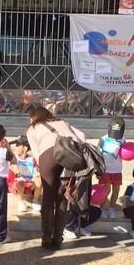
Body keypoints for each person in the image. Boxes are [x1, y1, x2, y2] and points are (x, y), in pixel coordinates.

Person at [26, 107, 86, 249]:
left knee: (48, 197)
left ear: (34, 117)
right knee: (62, 197)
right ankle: (58, 237)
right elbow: (81, 135)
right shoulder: (62, 122)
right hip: (70, 156)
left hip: (48, 155)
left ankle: (46, 238)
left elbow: (36, 153)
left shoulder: (33, 128)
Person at [98, 117, 129, 219]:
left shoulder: (123, 139)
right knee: (106, 189)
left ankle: (112, 209)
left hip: (117, 169)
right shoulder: (103, 139)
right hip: (105, 169)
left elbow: (127, 152)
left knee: (116, 189)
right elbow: (97, 154)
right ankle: (102, 208)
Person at [8, 135, 42, 213]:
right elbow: (14, 170)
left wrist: (36, 177)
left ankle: (36, 200)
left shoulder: (32, 159)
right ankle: (20, 201)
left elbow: (37, 172)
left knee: (39, 179)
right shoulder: (13, 158)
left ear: (25, 148)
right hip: (16, 185)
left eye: (17, 145)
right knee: (20, 182)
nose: (15, 147)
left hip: (29, 184)